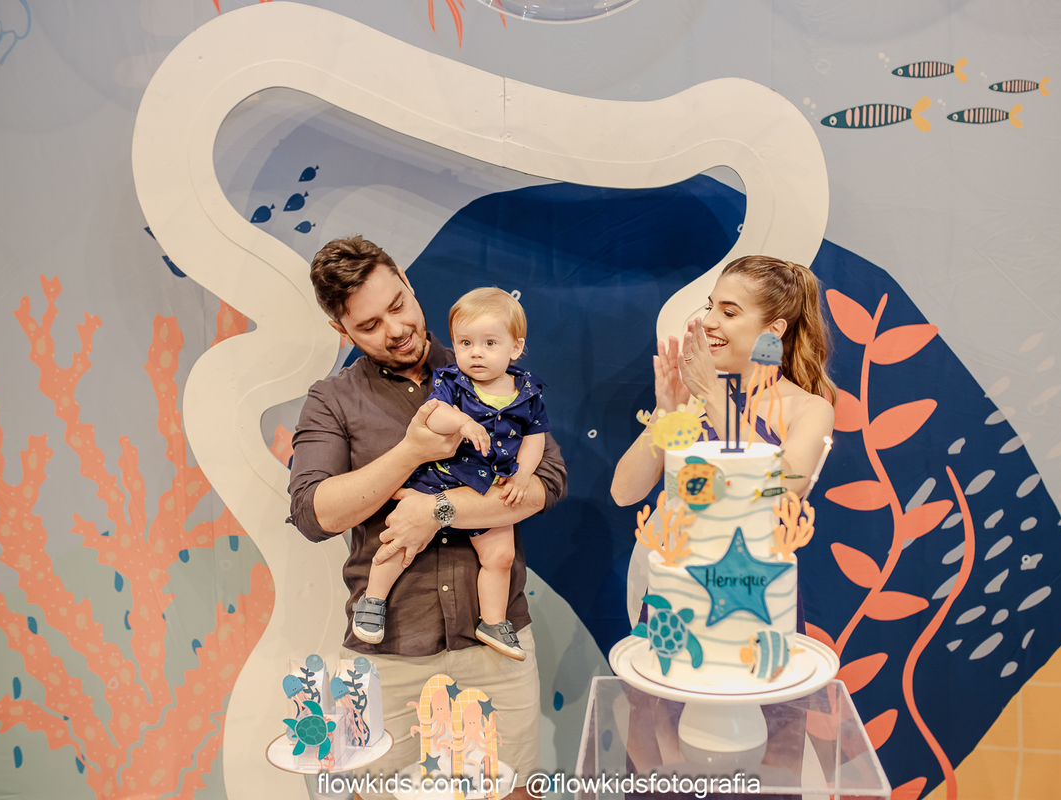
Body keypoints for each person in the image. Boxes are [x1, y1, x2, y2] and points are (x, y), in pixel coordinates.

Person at [288, 236, 566, 794]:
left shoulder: (493, 368)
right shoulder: (332, 399)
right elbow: (314, 513)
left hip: (494, 640)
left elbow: (545, 484)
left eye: (397, 305)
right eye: (370, 325)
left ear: (408, 284)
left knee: (513, 791)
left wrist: (437, 510)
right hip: (388, 649)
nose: (395, 329)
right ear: (341, 331)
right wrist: (411, 452)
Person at [611, 255, 836, 630]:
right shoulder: (694, 401)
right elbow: (624, 492)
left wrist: (713, 395)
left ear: (773, 330)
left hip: (749, 602)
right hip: (677, 598)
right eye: (710, 306)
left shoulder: (808, 408)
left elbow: (782, 485)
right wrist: (667, 411)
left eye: (729, 312)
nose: (709, 321)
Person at [353, 287, 548, 662]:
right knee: (401, 543)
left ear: (515, 347)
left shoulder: (527, 392)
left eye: (489, 343)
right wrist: (460, 421)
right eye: (465, 343)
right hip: (438, 480)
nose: (476, 353)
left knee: (501, 556)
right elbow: (433, 415)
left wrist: (524, 474)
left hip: (486, 492)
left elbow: (535, 437)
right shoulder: (452, 382)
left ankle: (493, 621)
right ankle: (373, 600)